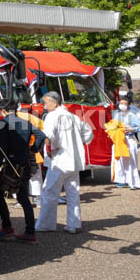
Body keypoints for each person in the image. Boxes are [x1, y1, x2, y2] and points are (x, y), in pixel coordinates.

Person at [36, 92, 93, 234]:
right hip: (74, 160)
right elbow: (88, 133)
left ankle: (46, 224)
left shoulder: (52, 116)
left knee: (49, 191)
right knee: (73, 193)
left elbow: (47, 136)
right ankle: (73, 224)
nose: (45, 107)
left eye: (46, 103)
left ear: (54, 103)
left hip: (59, 160)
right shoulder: (73, 117)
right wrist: (76, 143)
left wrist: (50, 149)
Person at [0, 98, 46, 244]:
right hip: (25, 163)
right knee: (23, 198)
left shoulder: (4, 123)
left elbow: (2, 147)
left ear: (3, 110)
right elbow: (41, 135)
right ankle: (30, 232)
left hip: (11, 165)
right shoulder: (25, 122)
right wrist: (33, 149)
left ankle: (7, 227)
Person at [111, 97, 140, 189]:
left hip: (129, 139)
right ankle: (121, 181)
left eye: (124, 104)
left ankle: (133, 182)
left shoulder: (132, 115)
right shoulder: (117, 114)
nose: (122, 105)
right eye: (121, 103)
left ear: (128, 105)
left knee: (130, 161)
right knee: (119, 160)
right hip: (119, 140)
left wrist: (131, 129)